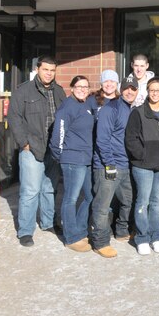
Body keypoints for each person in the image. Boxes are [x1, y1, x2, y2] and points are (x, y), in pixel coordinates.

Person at [9, 56, 66, 247]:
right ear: (37, 69)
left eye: (52, 70)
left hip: (54, 149)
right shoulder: (23, 90)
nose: (49, 73)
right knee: (30, 191)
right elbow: (14, 118)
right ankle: (25, 231)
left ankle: (48, 222)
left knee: (50, 189)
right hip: (32, 148)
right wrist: (24, 143)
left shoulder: (59, 91)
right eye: (46, 69)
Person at [89, 80, 138, 258]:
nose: (130, 92)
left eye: (133, 89)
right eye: (126, 89)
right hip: (108, 165)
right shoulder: (111, 109)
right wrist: (109, 164)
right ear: (121, 90)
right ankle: (100, 242)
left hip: (125, 165)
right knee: (102, 206)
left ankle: (122, 230)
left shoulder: (130, 109)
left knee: (127, 200)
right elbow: (102, 139)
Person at [49, 75, 95, 253]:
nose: (83, 89)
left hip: (86, 158)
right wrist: (62, 156)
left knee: (89, 196)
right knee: (70, 199)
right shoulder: (67, 107)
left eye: (86, 86)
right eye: (79, 86)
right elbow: (58, 135)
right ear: (72, 88)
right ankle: (70, 237)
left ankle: (81, 230)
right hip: (72, 159)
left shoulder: (86, 105)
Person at [126, 77, 159, 256]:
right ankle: (142, 238)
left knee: (156, 202)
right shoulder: (138, 112)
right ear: (147, 91)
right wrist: (142, 155)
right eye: (151, 90)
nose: (155, 93)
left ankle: (156, 236)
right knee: (142, 202)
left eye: (158, 90)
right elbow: (131, 139)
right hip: (143, 166)